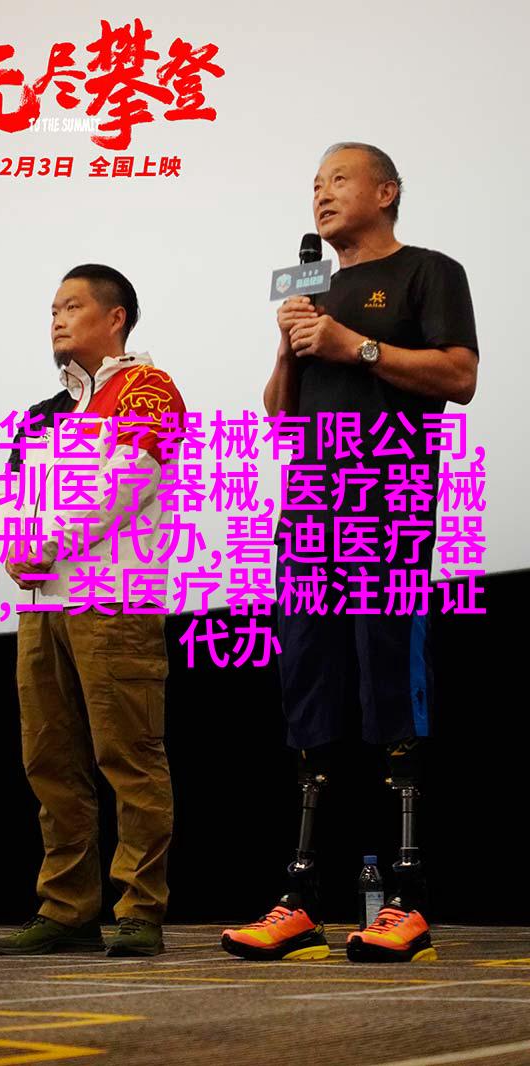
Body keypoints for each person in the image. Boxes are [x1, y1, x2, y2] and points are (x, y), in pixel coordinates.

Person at [221, 143, 479, 963]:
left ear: (386, 190)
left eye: (338, 179)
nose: (321, 193)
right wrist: (289, 344)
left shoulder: (428, 271)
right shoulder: (313, 289)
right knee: (309, 687)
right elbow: (279, 413)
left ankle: (406, 897)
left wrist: (356, 346)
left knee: (390, 684)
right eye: (314, 183)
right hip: (308, 511)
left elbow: (460, 377)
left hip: (387, 507)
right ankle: (301, 899)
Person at [0, 264, 186, 957]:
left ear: (116, 317)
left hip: (115, 600)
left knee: (129, 756)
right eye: (52, 310)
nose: (57, 320)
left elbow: (124, 486)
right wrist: (11, 545)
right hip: (42, 608)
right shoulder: (43, 413)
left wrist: (42, 543)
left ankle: (140, 908)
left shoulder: (148, 389)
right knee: (50, 759)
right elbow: (14, 496)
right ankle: (68, 909)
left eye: (72, 307)